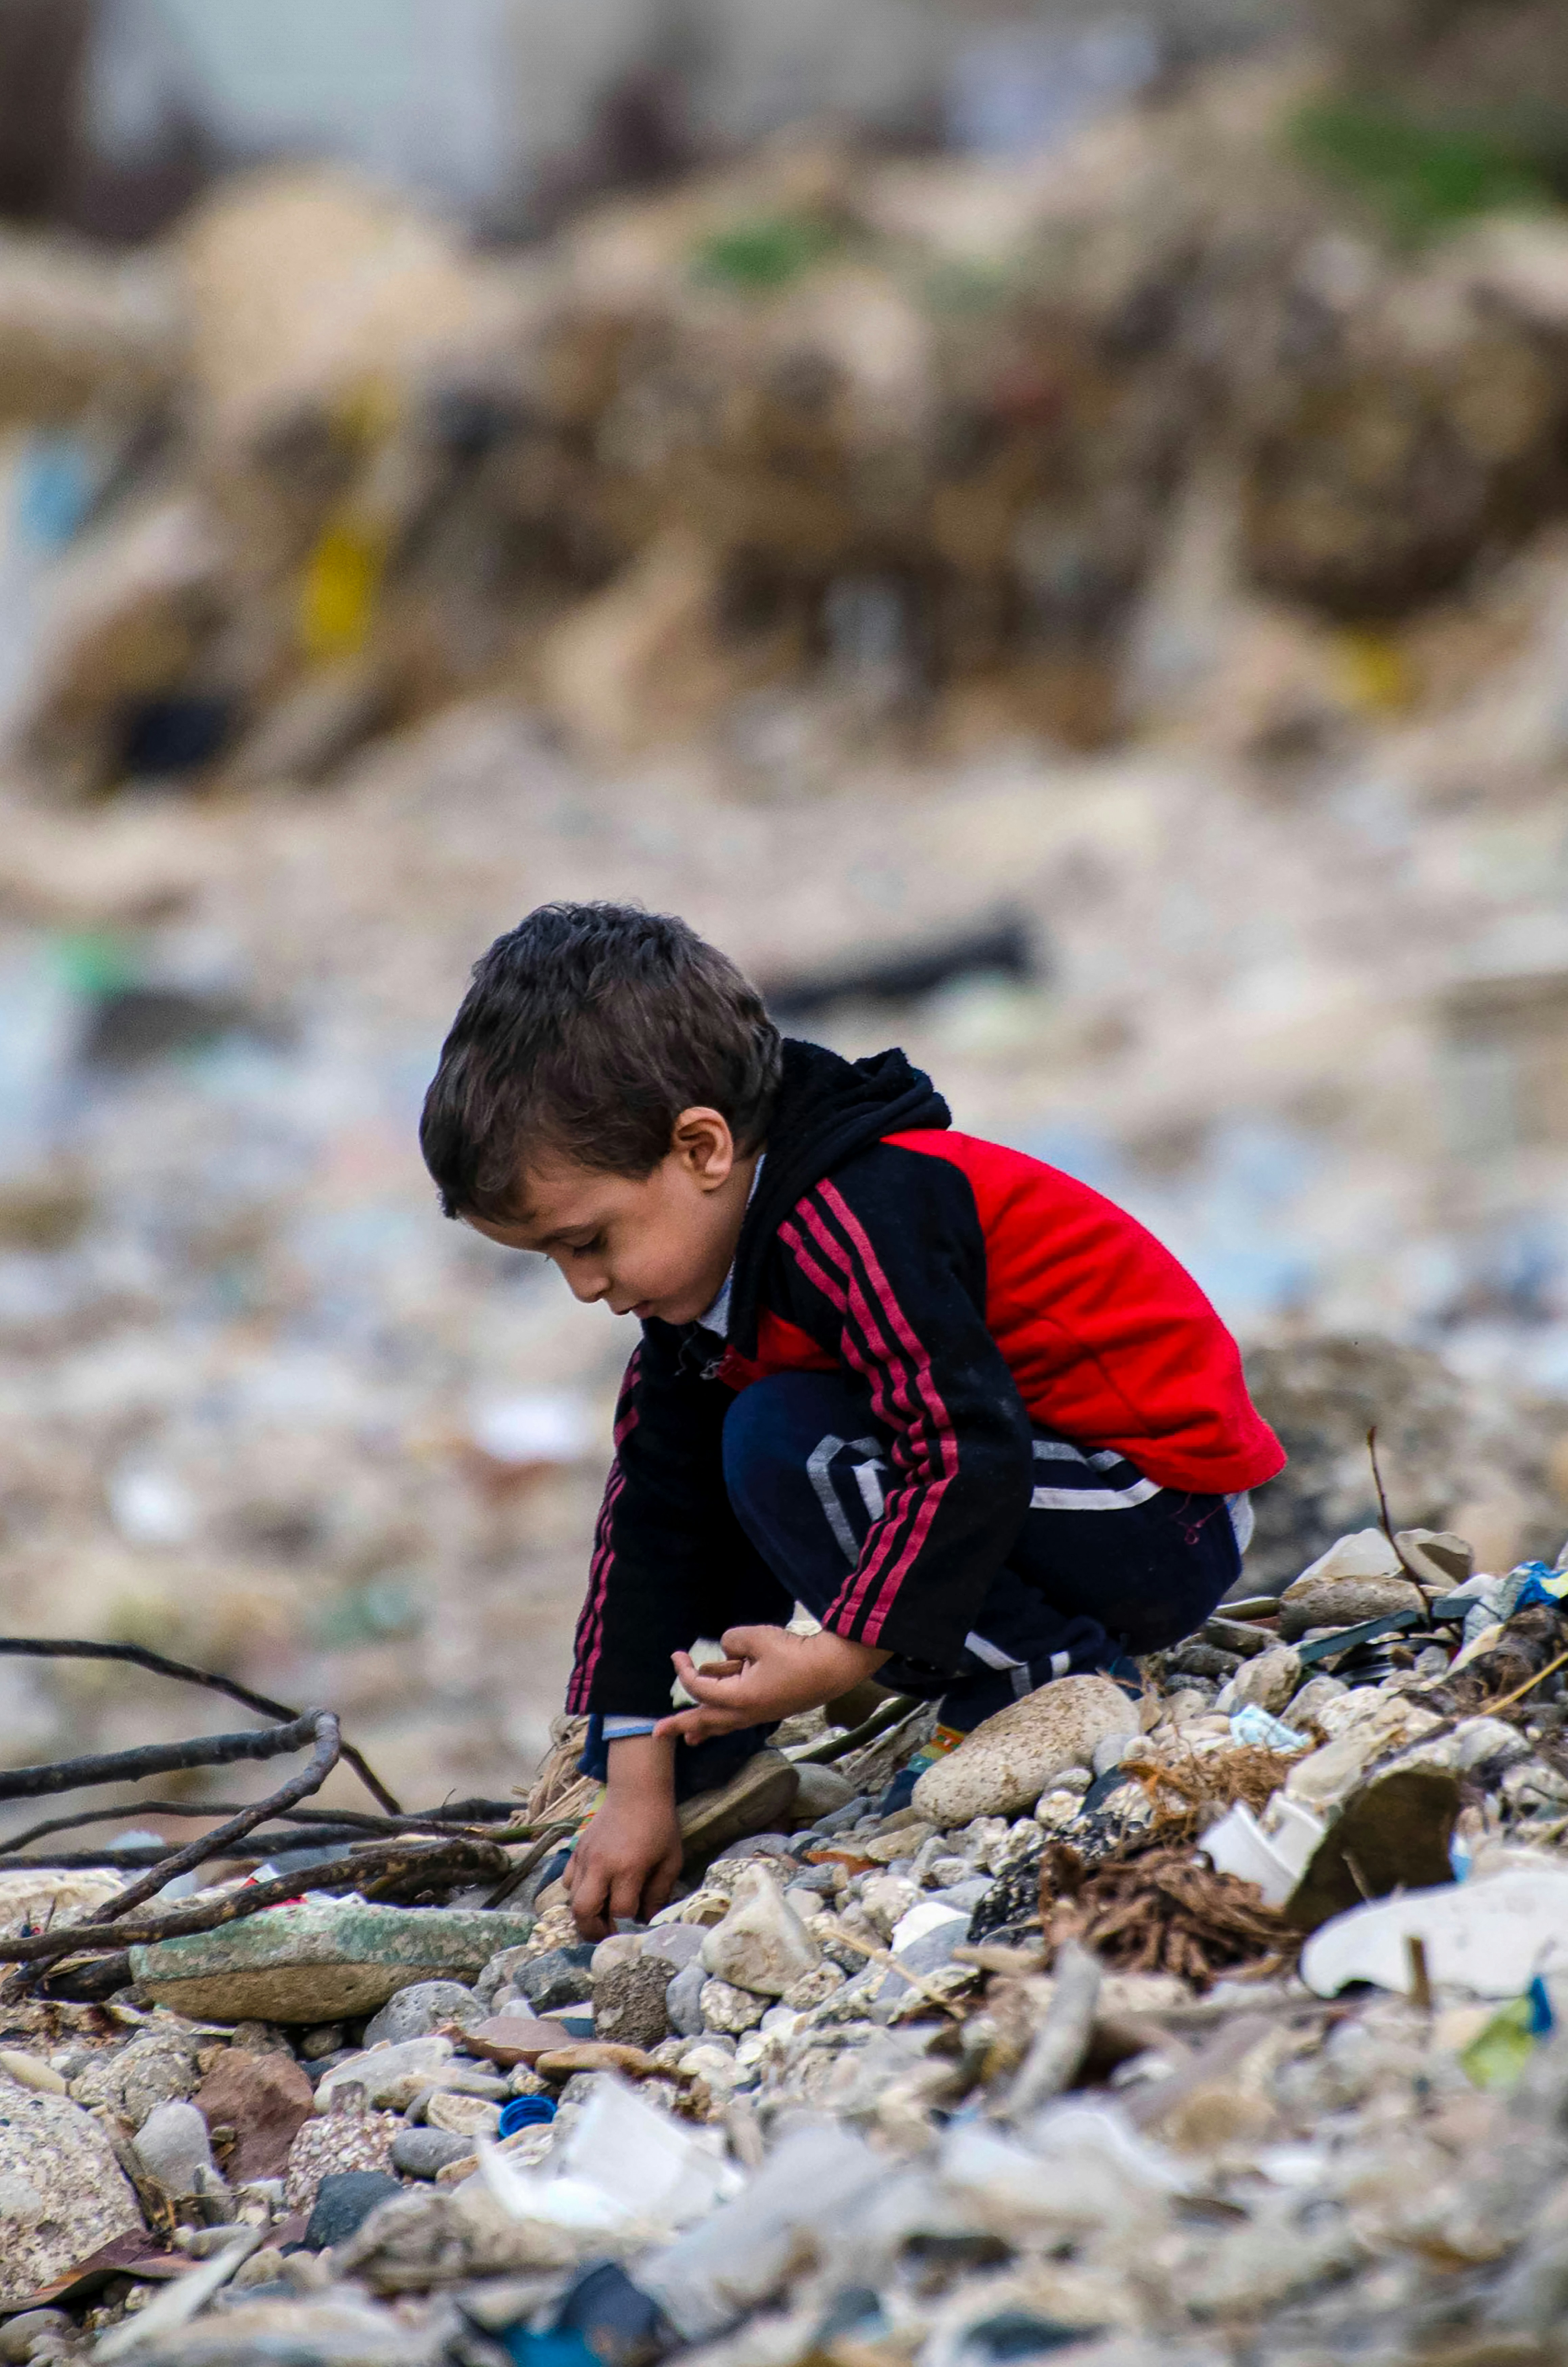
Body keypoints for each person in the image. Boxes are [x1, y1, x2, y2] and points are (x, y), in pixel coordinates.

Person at [420, 902, 1285, 1939]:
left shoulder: (862, 1209)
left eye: (589, 1241)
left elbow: (963, 1447)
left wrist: (844, 1654)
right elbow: (657, 1523)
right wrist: (635, 1775)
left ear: (702, 1147)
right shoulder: (706, 1301)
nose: (584, 1287)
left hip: (1160, 1504)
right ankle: (775, 1740)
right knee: (718, 1450)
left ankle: (1054, 1678)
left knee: (781, 1438)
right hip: (1058, 1495)